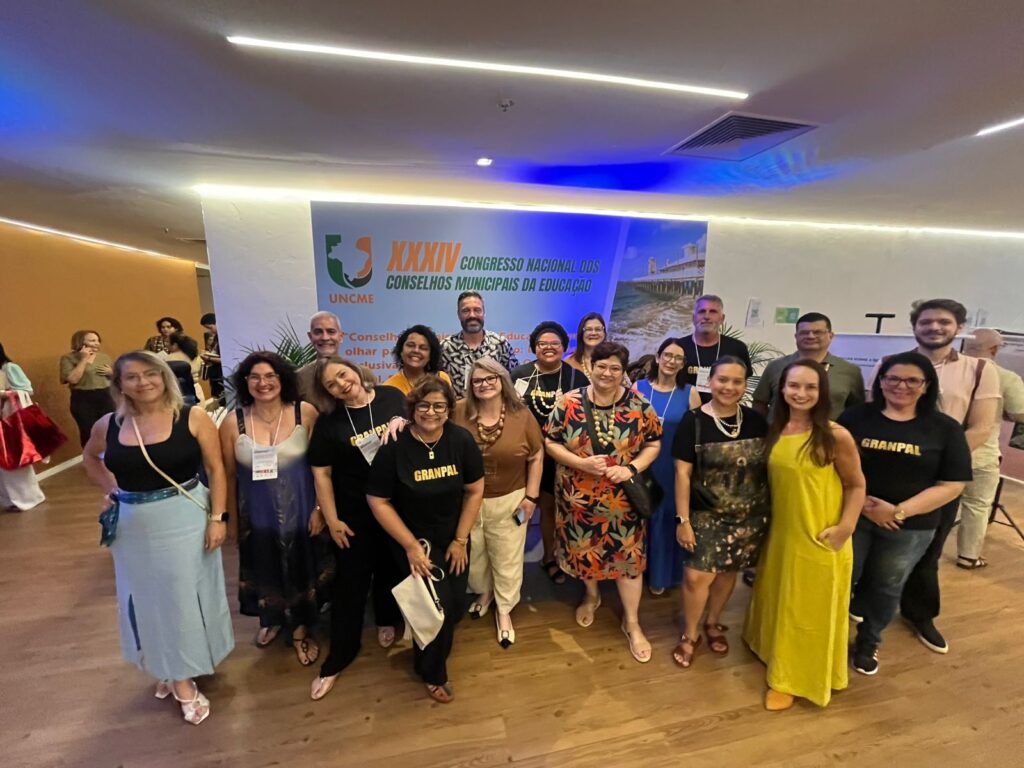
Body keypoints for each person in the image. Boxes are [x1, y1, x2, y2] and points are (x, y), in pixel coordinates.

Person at [81, 351, 233, 725]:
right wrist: (112, 489)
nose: (143, 382)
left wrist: (218, 518)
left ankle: (182, 668)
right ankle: (172, 670)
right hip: (133, 525)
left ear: (164, 376)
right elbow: (90, 458)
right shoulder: (108, 424)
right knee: (145, 599)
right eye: (132, 376)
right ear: (119, 384)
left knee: (183, 597)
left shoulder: (192, 417)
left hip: (185, 517)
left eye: (151, 374)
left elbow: (216, 469)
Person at [865, 299, 998, 653]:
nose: (934, 328)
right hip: (882, 472)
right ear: (914, 326)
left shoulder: (979, 369)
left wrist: (938, 464)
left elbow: (981, 426)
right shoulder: (889, 364)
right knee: (870, 548)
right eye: (926, 322)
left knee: (927, 554)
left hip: (939, 479)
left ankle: (920, 614)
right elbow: (872, 412)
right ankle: (864, 606)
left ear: (959, 327)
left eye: (943, 322)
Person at [742, 360, 866, 710]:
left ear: (822, 392)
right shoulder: (777, 429)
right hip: (782, 533)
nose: (801, 393)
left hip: (818, 534)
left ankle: (792, 678)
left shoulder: (834, 435)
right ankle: (771, 651)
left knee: (806, 609)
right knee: (780, 597)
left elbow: (856, 485)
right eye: (794, 385)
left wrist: (845, 528)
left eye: (810, 387)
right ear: (782, 389)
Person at [839, 352, 971, 675]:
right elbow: (831, 464)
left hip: (910, 526)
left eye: (913, 380)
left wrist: (898, 511)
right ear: (881, 381)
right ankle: (827, 637)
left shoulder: (945, 429)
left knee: (887, 586)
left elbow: (952, 485)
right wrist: (865, 504)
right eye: (893, 378)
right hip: (853, 517)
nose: (901, 386)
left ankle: (869, 642)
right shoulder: (855, 417)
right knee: (841, 580)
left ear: (926, 386)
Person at [367, 377, 485, 703]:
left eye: (439, 406)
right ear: (412, 407)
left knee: (455, 606)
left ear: (449, 409)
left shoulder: (461, 440)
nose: (431, 412)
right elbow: (378, 500)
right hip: (412, 541)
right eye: (423, 405)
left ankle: (430, 648)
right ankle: (433, 673)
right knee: (437, 609)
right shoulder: (395, 446)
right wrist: (410, 547)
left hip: (453, 538)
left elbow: (475, 489)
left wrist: (460, 540)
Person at [544, 342, 662, 663]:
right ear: (590, 367)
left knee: (629, 563)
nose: (607, 373)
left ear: (623, 372)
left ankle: (632, 622)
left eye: (615, 368)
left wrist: (630, 469)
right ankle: (592, 595)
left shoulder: (639, 404)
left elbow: (654, 443)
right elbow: (550, 442)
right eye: (601, 366)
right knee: (586, 554)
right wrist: (580, 463)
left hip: (624, 502)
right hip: (578, 501)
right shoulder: (568, 403)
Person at [306, 356, 407, 701]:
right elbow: (321, 473)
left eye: (342, 374)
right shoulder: (330, 421)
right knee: (350, 583)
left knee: (391, 568)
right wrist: (331, 518)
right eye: (331, 384)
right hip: (353, 513)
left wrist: (403, 419)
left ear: (354, 369)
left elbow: (418, 428)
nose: (341, 384)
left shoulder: (391, 396)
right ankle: (339, 656)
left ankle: (386, 619)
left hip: (397, 505)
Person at [219, 352, 328, 666]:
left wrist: (320, 508)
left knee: (301, 569)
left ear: (283, 379)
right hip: (257, 515)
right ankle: (272, 619)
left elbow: (323, 468)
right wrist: (230, 520)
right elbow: (227, 475)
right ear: (245, 382)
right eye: (254, 377)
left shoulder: (305, 413)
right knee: (264, 568)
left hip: (303, 511)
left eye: (270, 376)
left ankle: (301, 629)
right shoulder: (233, 422)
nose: (263, 383)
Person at [670, 356, 769, 669]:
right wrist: (683, 520)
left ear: (745, 385)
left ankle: (713, 621)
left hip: (748, 516)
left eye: (737, 381)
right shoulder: (693, 422)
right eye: (722, 379)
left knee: (728, 572)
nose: (729, 387)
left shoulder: (756, 421)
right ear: (710, 381)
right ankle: (690, 634)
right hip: (706, 514)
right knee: (696, 577)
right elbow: (682, 474)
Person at [453, 358, 543, 646]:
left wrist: (531, 497)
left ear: (502, 380)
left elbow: (536, 455)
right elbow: (426, 421)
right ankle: (486, 593)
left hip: (511, 500)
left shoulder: (521, 415)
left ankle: (504, 610)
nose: (484, 384)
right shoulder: (458, 411)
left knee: (507, 559)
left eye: (490, 378)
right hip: (468, 501)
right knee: (477, 556)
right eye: (477, 380)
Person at [509, 321, 589, 585]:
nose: (549, 348)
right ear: (534, 347)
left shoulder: (576, 378)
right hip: (524, 454)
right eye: (542, 343)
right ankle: (513, 560)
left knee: (552, 508)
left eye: (555, 343)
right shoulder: (518, 375)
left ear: (564, 347)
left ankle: (552, 556)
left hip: (561, 455)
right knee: (522, 508)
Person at [634, 338, 701, 595]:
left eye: (678, 358)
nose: (672, 361)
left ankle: (660, 575)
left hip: (673, 465)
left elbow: (696, 436)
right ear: (658, 357)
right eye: (668, 355)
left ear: (683, 364)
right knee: (642, 514)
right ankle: (635, 570)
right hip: (643, 464)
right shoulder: (638, 388)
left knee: (665, 517)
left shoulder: (690, 393)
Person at [957, 329, 1024, 568]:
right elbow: (1020, 413)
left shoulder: (950, 371)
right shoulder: (1006, 377)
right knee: (977, 505)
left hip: (943, 450)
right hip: (982, 454)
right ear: (995, 349)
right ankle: (968, 556)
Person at [753, 312, 865, 420]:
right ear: (796, 336)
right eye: (804, 332)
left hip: (829, 432)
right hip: (779, 432)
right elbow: (760, 403)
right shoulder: (775, 367)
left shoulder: (850, 371)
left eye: (818, 332)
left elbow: (856, 410)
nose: (811, 336)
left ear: (830, 336)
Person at [439, 291, 518, 398]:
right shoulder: (446, 348)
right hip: (458, 408)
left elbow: (513, 380)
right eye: (466, 311)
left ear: (484, 313)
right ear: (458, 315)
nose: (472, 315)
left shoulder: (500, 344)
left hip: (494, 407)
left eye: (477, 310)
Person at [678, 295, 753, 403]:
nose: (707, 316)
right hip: (683, 409)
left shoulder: (737, 348)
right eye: (702, 311)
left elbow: (742, 384)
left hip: (723, 409)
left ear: (722, 318)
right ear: (694, 318)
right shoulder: (679, 347)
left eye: (713, 312)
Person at [0, 343, 46, 510]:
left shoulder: (9, 368)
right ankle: (7, 499)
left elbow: (27, 390)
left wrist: (5, 394)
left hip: (10, 420)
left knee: (15, 461)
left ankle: (27, 498)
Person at [59, 329, 115, 447]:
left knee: (110, 429)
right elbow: (72, 379)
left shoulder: (104, 357)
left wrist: (112, 373)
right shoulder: (68, 358)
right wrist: (84, 360)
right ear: (81, 342)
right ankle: (92, 456)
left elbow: (116, 379)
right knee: (88, 431)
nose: (96, 343)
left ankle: (112, 455)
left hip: (106, 396)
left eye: (98, 341)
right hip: (83, 398)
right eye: (92, 340)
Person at [382, 324, 453, 393]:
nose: (416, 350)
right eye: (410, 345)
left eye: (423, 348)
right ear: (401, 351)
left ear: (431, 355)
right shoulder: (389, 388)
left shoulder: (441, 378)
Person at [296, 311, 343, 401]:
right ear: (310, 337)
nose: (325, 337)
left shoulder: (358, 374)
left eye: (331, 332)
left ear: (341, 336)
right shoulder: (299, 378)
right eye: (318, 332)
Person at [565, 312, 610, 378]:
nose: (593, 333)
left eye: (598, 329)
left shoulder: (614, 359)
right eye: (588, 329)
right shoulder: (568, 363)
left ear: (604, 333)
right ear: (581, 333)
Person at [165, 332, 204, 406]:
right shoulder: (196, 356)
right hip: (197, 390)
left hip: (179, 393)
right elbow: (200, 373)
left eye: (167, 342)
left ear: (175, 345)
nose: (166, 344)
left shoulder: (168, 358)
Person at [199, 313, 224, 402]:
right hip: (214, 375)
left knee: (222, 399)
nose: (209, 331)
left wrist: (209, 358)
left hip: (222, 375)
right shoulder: (216, 337)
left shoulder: (225, 337)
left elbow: (225, 360)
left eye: (210, 327)